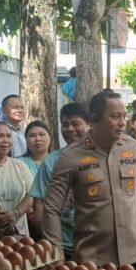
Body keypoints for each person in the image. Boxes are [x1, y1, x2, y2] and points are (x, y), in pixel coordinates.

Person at [42, 91, 136, 266]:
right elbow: (51, 208)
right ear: (95, 118)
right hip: (92, 261)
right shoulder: (70, 156)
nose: (122, 123)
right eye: (115, 116)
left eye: (124, 116)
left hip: (135, 255)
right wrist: (56, 252)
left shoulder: (134, 149)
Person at [30, 102, 91, 260]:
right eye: (65, 124)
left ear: (90, 125)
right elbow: (39, 212)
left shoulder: (103, 158)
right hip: (63, 249)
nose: (70, 129)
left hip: (97, 247)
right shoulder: (51, 162)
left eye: (75, 123)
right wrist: (55, 247)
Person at [18, 120, 52, 240]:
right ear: (26, 140)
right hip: (27, 221)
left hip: (59, 220)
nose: (37, 139)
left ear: (50, 136)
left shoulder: (60, 160)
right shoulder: (18, 163)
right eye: (32, 135)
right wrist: (30, 211)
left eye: (42, 134)